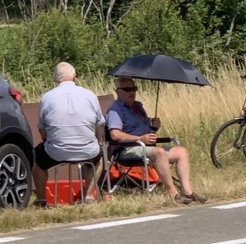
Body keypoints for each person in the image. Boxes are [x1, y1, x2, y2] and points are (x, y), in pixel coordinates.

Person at [106, 77, 207, 204]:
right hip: (126, 149)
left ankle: (188, 192)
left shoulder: (138, 106)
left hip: (146, 146)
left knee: (181, 151)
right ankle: (173, 193)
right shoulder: (115, 110)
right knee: (159, 152)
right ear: (118, 91)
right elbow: (115, 134)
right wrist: (139, 139)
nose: (131, 92)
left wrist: (154, 126)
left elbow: (147, 129)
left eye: (134, 89)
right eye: (127, 90)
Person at [33, 62, 104, 203]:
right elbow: (100, 124)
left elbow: (42, 128)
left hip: (57, 152)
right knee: (99, 159)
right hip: (88, 150)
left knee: (36, 159)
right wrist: (96, 140)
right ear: (75, 76)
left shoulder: (47, 97)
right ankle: (88, 195)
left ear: (55, 78)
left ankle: (41, 198)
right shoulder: (90, 95)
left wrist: (49, 141)